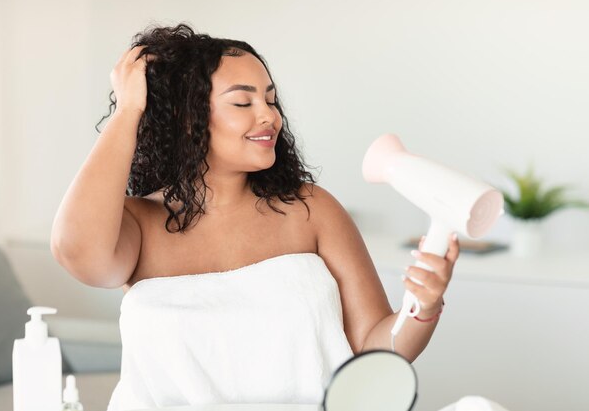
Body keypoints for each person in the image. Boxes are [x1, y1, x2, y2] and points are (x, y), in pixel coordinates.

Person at [50, 24, 459, 409]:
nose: (270, 116)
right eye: (243, 101)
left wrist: (422, 306)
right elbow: (77, 253)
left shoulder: (311, 210)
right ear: (186, 117)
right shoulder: (137, 226)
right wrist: (129, 110)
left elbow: (375, 349)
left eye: (271, 99)